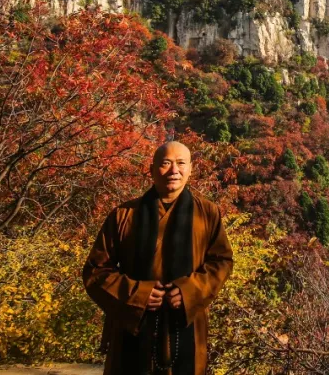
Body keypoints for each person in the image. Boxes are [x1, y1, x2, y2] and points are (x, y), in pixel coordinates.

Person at [83, 141, 234, 375]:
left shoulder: (207, 213)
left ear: (191, 169)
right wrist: (138, 294)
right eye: (166, 163)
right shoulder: (124, 215)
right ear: (152, 169)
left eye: (181, 163)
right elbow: (95, 270)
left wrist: (188, 291)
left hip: (187, 325)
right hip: (131, 326)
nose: (174, 170)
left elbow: (221, 262)